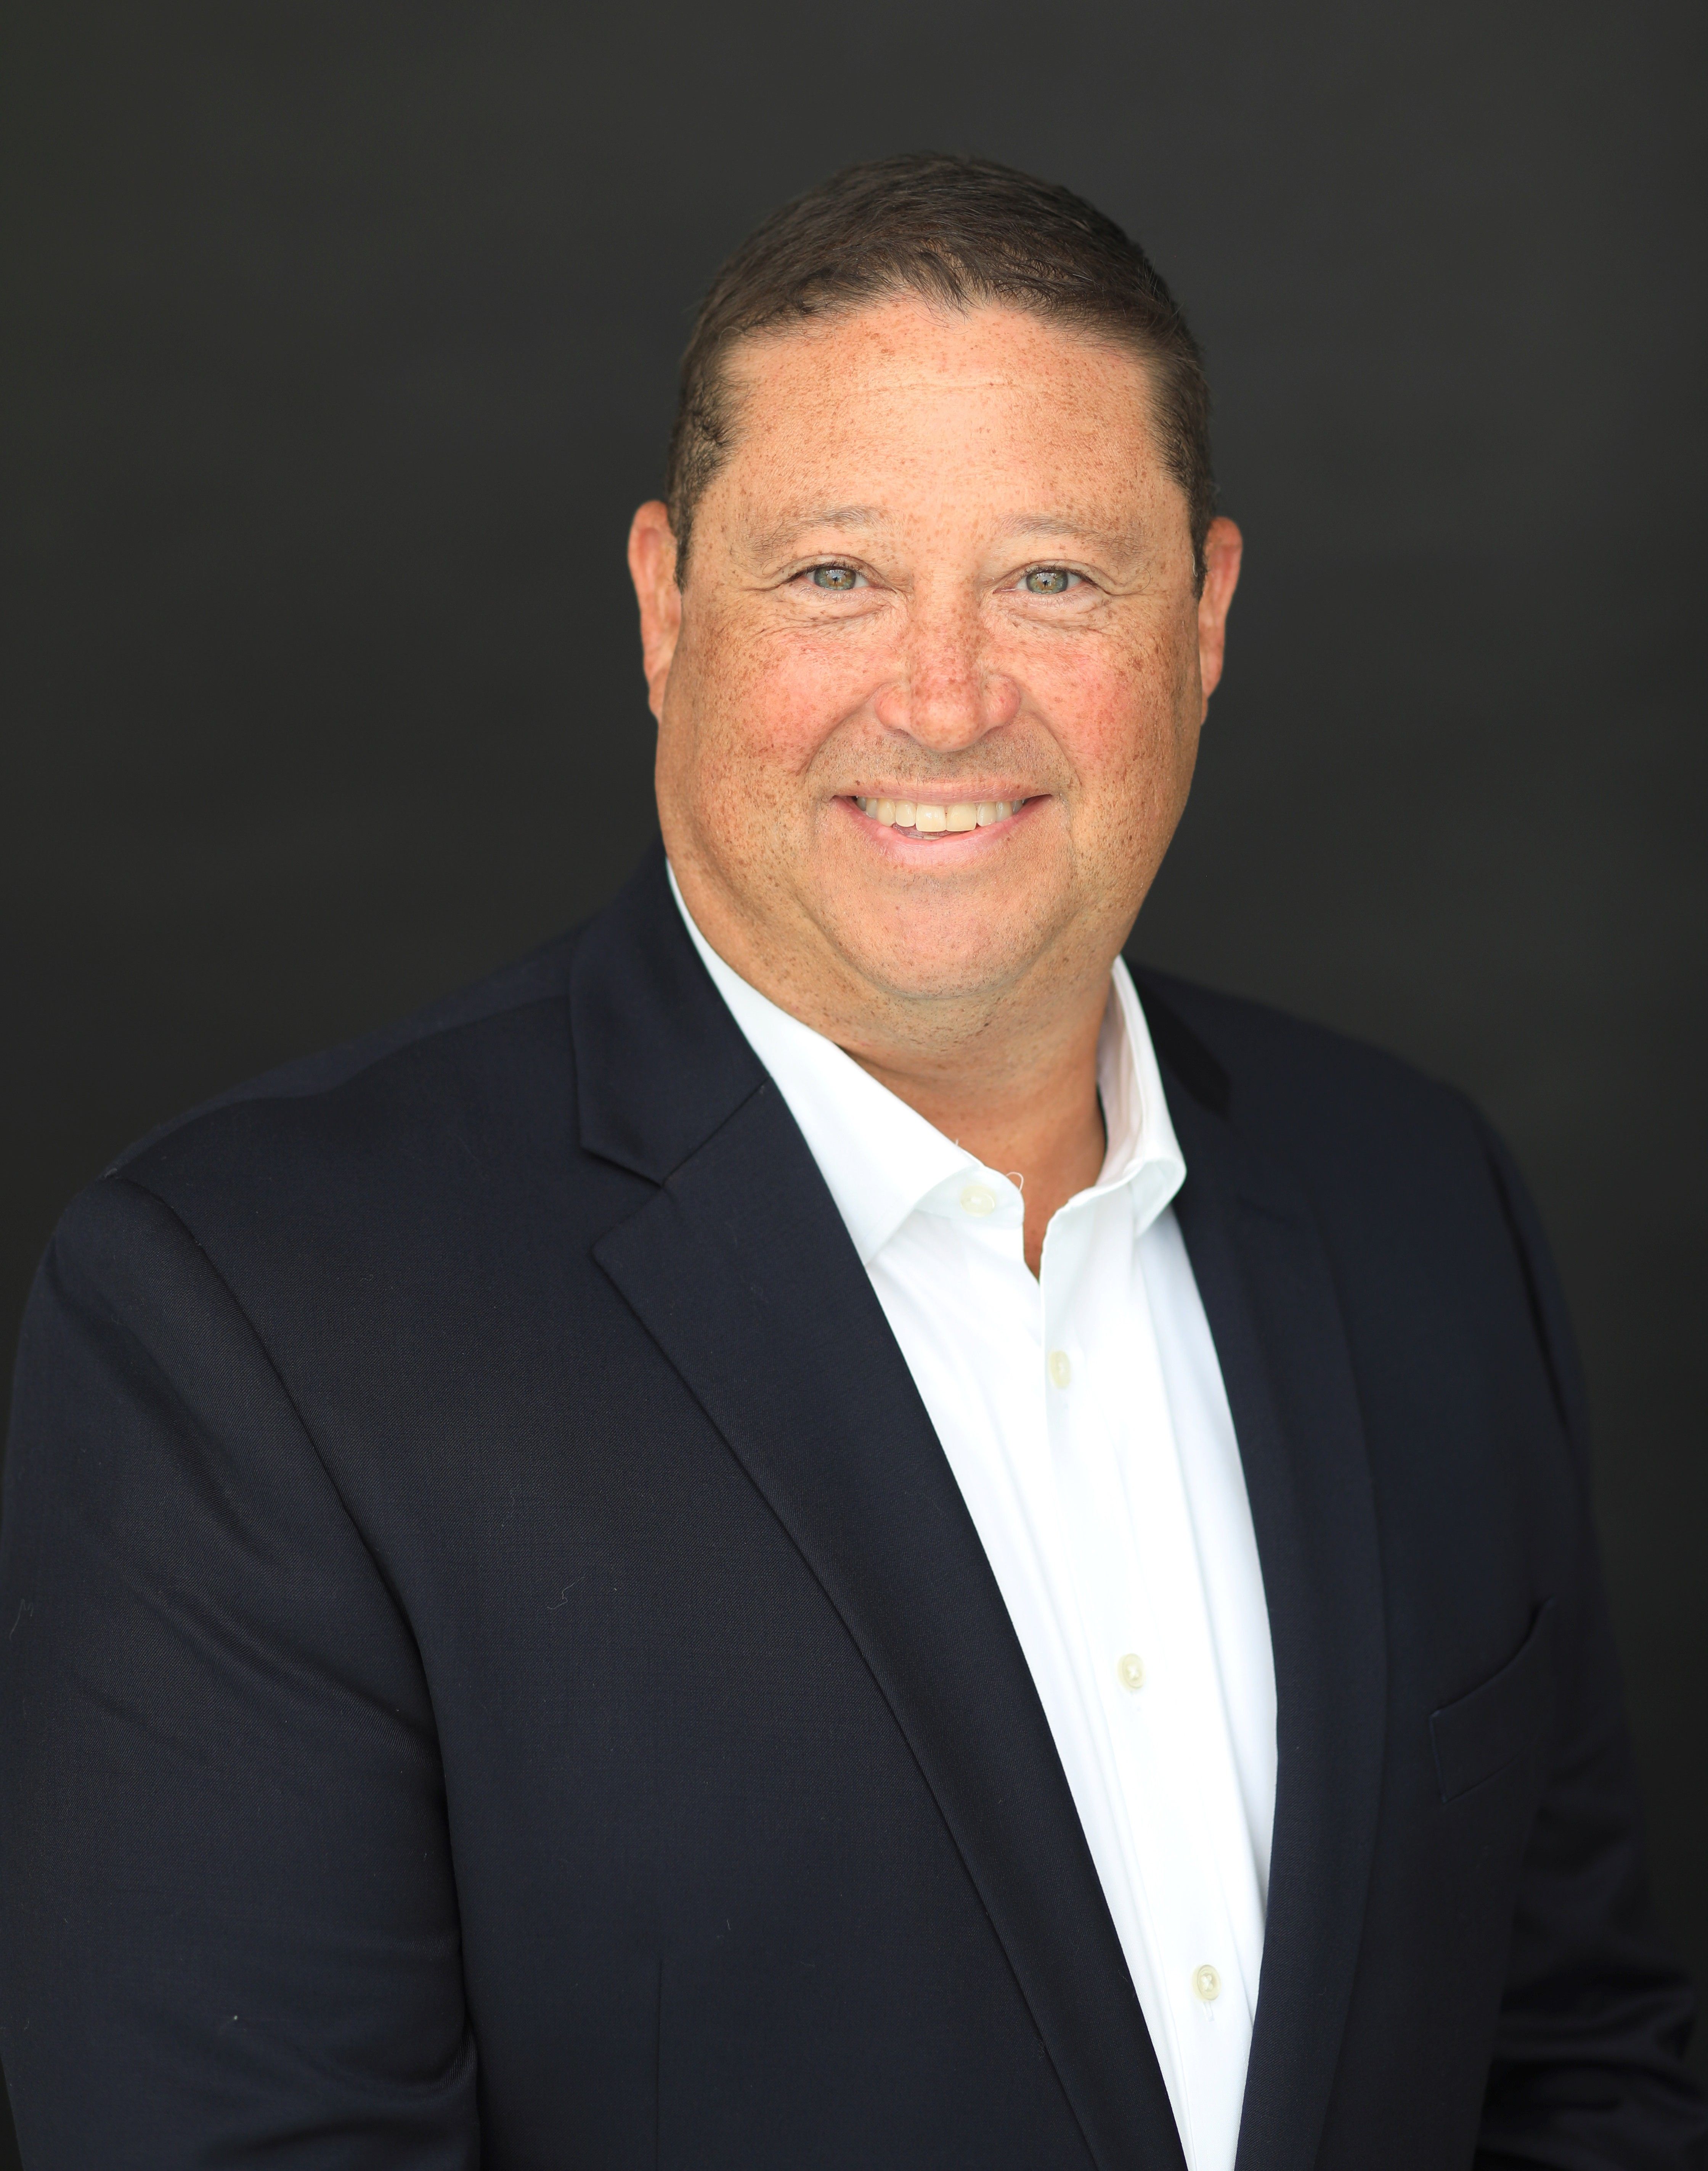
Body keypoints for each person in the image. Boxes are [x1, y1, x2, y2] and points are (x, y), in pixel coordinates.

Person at [0, 152, 1701, 2171]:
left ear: (1209, 616)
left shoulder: (1422, 1204)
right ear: (666, 610)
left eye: (1053, 578)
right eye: (835, 576)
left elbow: (1578, 2065)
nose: (945, 698)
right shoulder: (252, 1320)